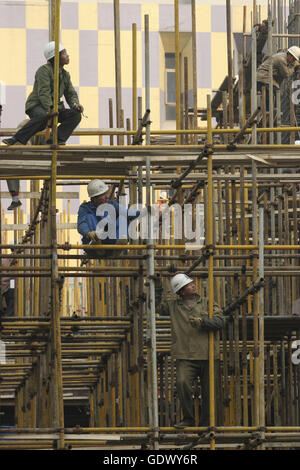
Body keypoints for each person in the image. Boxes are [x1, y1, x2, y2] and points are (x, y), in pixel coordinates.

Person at [155, 273, 226, 429]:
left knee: (210, 392)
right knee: (182, 383)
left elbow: (221, 321)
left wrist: (203, 322)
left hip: (208, 355)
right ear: (181, 291)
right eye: (189, 284)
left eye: (192, 283)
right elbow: (154, 306)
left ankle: (206, 424)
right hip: (185, 355)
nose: (193, 285)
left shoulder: (207, 302)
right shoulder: (173, 307)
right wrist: (157, 286)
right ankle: (188, 418)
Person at [3, 41, 83, 147]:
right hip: (37, 105)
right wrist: (50, 108)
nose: (67, 55)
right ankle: (16, 138)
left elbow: (70, 93)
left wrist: (75, 105)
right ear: (55, 57)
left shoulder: (65, 75)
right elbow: (43, 92)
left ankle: (56, 139)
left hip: (54, 107)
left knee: (75, 115)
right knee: (43, 116)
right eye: (64, 53)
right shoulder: (43, 71)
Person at [77, 179, 140, 258]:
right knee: (89, 217)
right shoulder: (85, 208)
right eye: (103, 195)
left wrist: (143, 212)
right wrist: (88, 233)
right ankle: (96, 242)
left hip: (110, 243)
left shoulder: (112, 204)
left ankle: (119, 244)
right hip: (92, 247)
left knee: (122, 216)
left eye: (106, 193)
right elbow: (81, 223)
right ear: (94, 198)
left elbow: (127, 213)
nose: (107, 196)